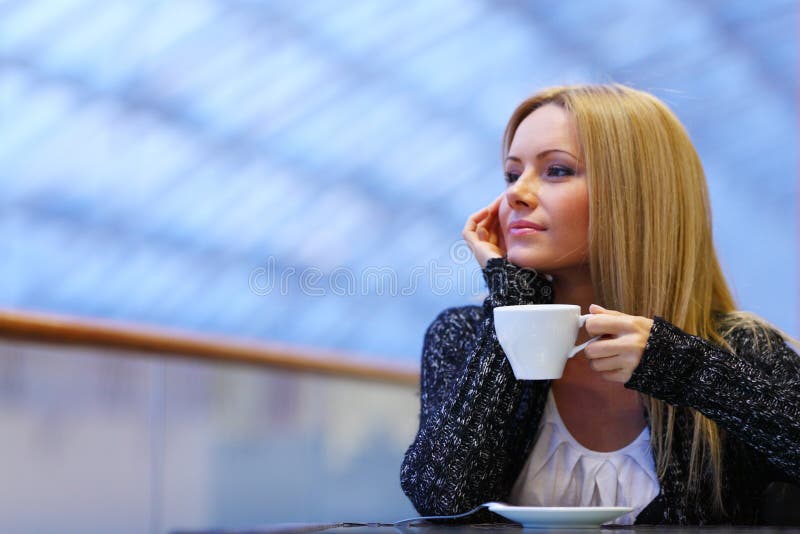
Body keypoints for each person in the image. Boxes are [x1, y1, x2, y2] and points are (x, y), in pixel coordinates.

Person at [399, 83, 800, 525]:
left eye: (555, 170)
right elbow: (441, 496)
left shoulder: (739, 349)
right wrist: (514, 303)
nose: (517, 194)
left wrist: (682, 369)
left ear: (637, 197)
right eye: (512, 174)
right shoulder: (462, 333)